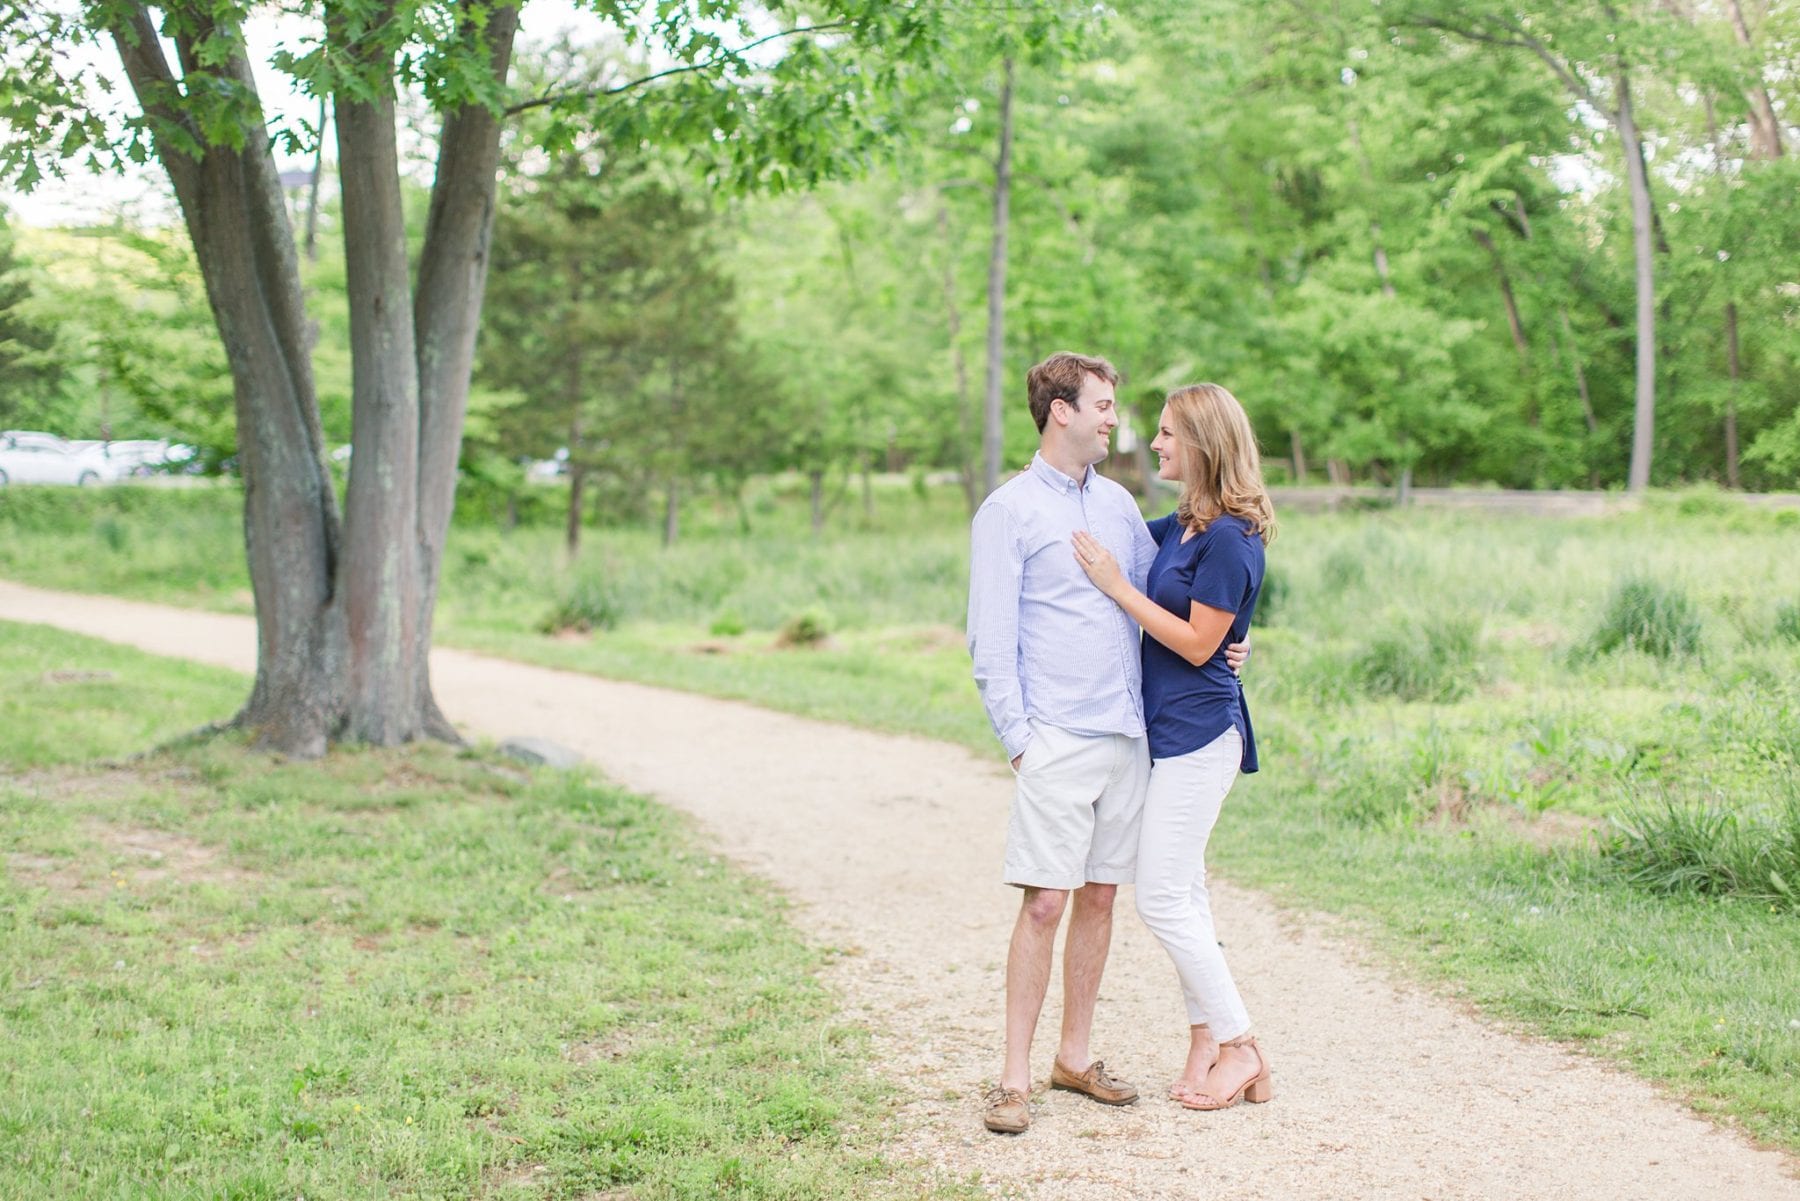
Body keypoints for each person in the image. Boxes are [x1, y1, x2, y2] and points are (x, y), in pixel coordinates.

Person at [967, 353, 1246, 1135]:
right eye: (1102, 404)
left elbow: (1173, 599)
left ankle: (1075, 1056)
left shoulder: (1121, 507)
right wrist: (1023, 744)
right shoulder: (1010, 511)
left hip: (1130, 737)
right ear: (1060, 410)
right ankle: (1014, 1077)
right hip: (1055, 737)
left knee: (1099, 897)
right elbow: (988, 643)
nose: (1113, 417)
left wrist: (1227, 644)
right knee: (1046, 901)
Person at [1071, 382, 1274, 1113]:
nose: (1153, 444)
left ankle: (1242, 1043)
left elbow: (1196, 642)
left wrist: (1118, 588)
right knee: (1183, 891)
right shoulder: (1189, 520)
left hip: (1200, 737)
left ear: (1203, 442)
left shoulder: (1231, 536)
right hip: (1169, 736)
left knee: (1159, 895)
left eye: (1166, 434)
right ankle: (1209, 1041)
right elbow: (1121, 535)